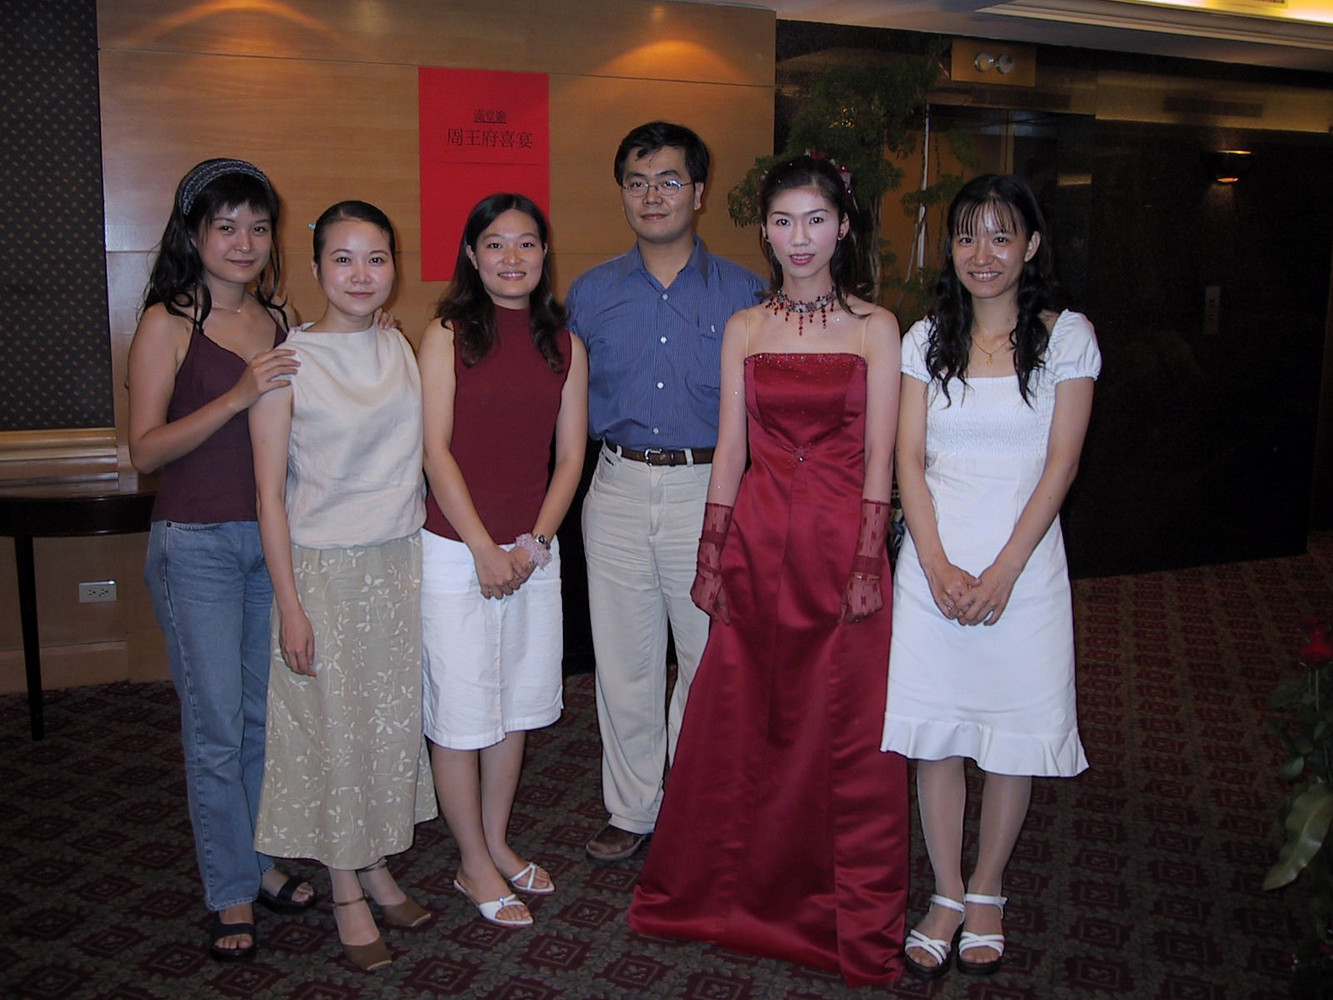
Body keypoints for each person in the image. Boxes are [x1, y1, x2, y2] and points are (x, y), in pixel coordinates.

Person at [628, 154, 909, 987]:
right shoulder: (745, 328)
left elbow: (881, 459)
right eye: (783, 222)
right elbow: (730, 451)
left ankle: (828, 907)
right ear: (765, 230)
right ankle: (719, 893)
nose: (799, 238)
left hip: (839, 544)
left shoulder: (875, 327)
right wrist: (710, 553)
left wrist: (868, 558)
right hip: (756, 538)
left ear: (843, 227)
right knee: (739, 715)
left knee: (839, 723)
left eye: (815, 220)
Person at [881, 174, 1099, 980]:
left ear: (1031, 246)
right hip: (933, 564)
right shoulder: (922, 338)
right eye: (967, 236)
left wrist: (1005, 571)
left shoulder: (1066, 337)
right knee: (935, 736)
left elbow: (1061, 464)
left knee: (1011, 737)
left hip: (1024, 565)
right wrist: (935, 564)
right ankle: (944, 891)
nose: (982, 253)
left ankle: (987, 890)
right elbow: (907, 459)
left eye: (1001, 236)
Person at [128, 158, 316, 963]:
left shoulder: (281, 318)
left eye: (258, 227)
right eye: (226, 226)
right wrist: (236, 396)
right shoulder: (167, 322)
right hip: (195, 544)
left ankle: (259, 860)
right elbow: (143, 451)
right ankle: (231, 889)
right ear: (193, 234)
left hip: (271, 543)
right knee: (214, 730)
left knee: (260, 722)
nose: (244, 242)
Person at [567, 121, 766, 863]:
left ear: (700, 192)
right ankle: (632, 809)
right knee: (624, 662)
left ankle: (696, 805)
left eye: (670, 181)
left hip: (708, 489)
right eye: (637, 182)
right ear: (622, 192)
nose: (653, 196)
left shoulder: (747, 294)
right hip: (616, 484)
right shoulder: (590, 294)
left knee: (709, 659)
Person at [250, 200, 437, 973]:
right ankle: (345, 887)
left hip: (397, 563)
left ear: (394, 267)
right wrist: (290, 607)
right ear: (316, 267)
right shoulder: (287, 363)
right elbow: (268, 497)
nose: (361, 274)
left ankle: (374, 861)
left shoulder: (399, 345)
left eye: (376, 258)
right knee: (333, 730)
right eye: (343, 258)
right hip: (323, 572)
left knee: (385, 729)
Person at [418, 193, 588, 928]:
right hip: (455, 551)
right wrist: (484, 548)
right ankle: (470, 860)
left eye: (525, 243)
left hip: (532, 552)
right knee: (461, 713)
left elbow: (570, 456)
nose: (511, 257)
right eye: (494, 243)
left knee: (514, 706)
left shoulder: (565, 345)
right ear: (471, 254)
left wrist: (535, 543)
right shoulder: (446, 334)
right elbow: (434, 450)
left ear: (544, 253)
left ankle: (494, 840)